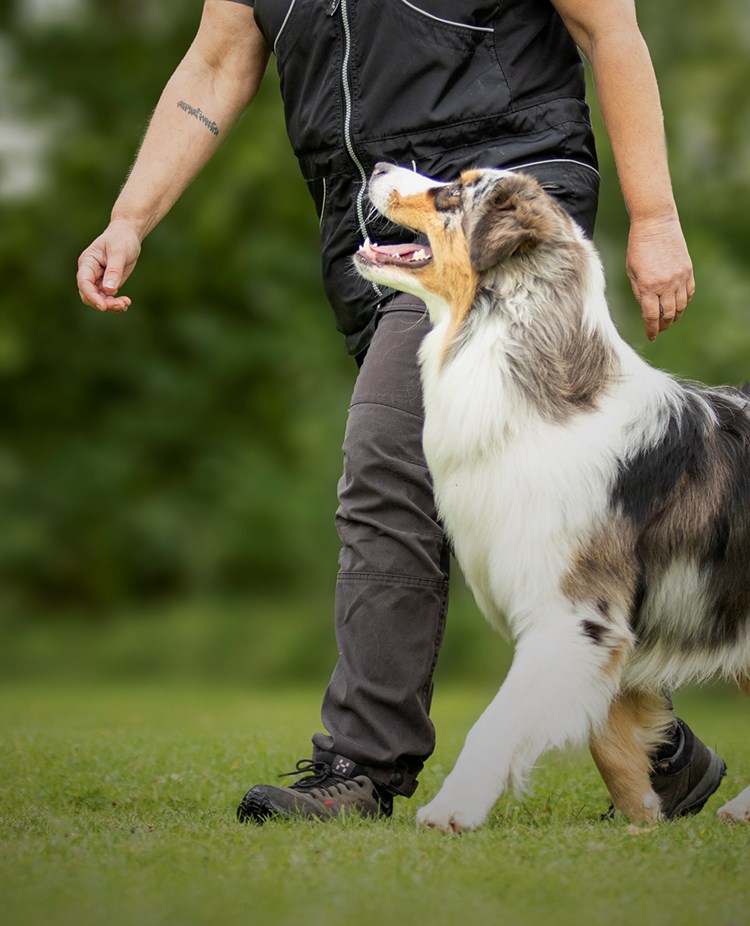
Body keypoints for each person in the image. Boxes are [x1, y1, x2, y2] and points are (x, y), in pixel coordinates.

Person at [77, 0, 726, 824]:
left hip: (499, 205)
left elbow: (609, 27)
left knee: (389, 463)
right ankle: (658, 750)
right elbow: (216, 62)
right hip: (381, 221)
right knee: (521, 501)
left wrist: (658, 217)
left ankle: (362, 762)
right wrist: (129, 218)